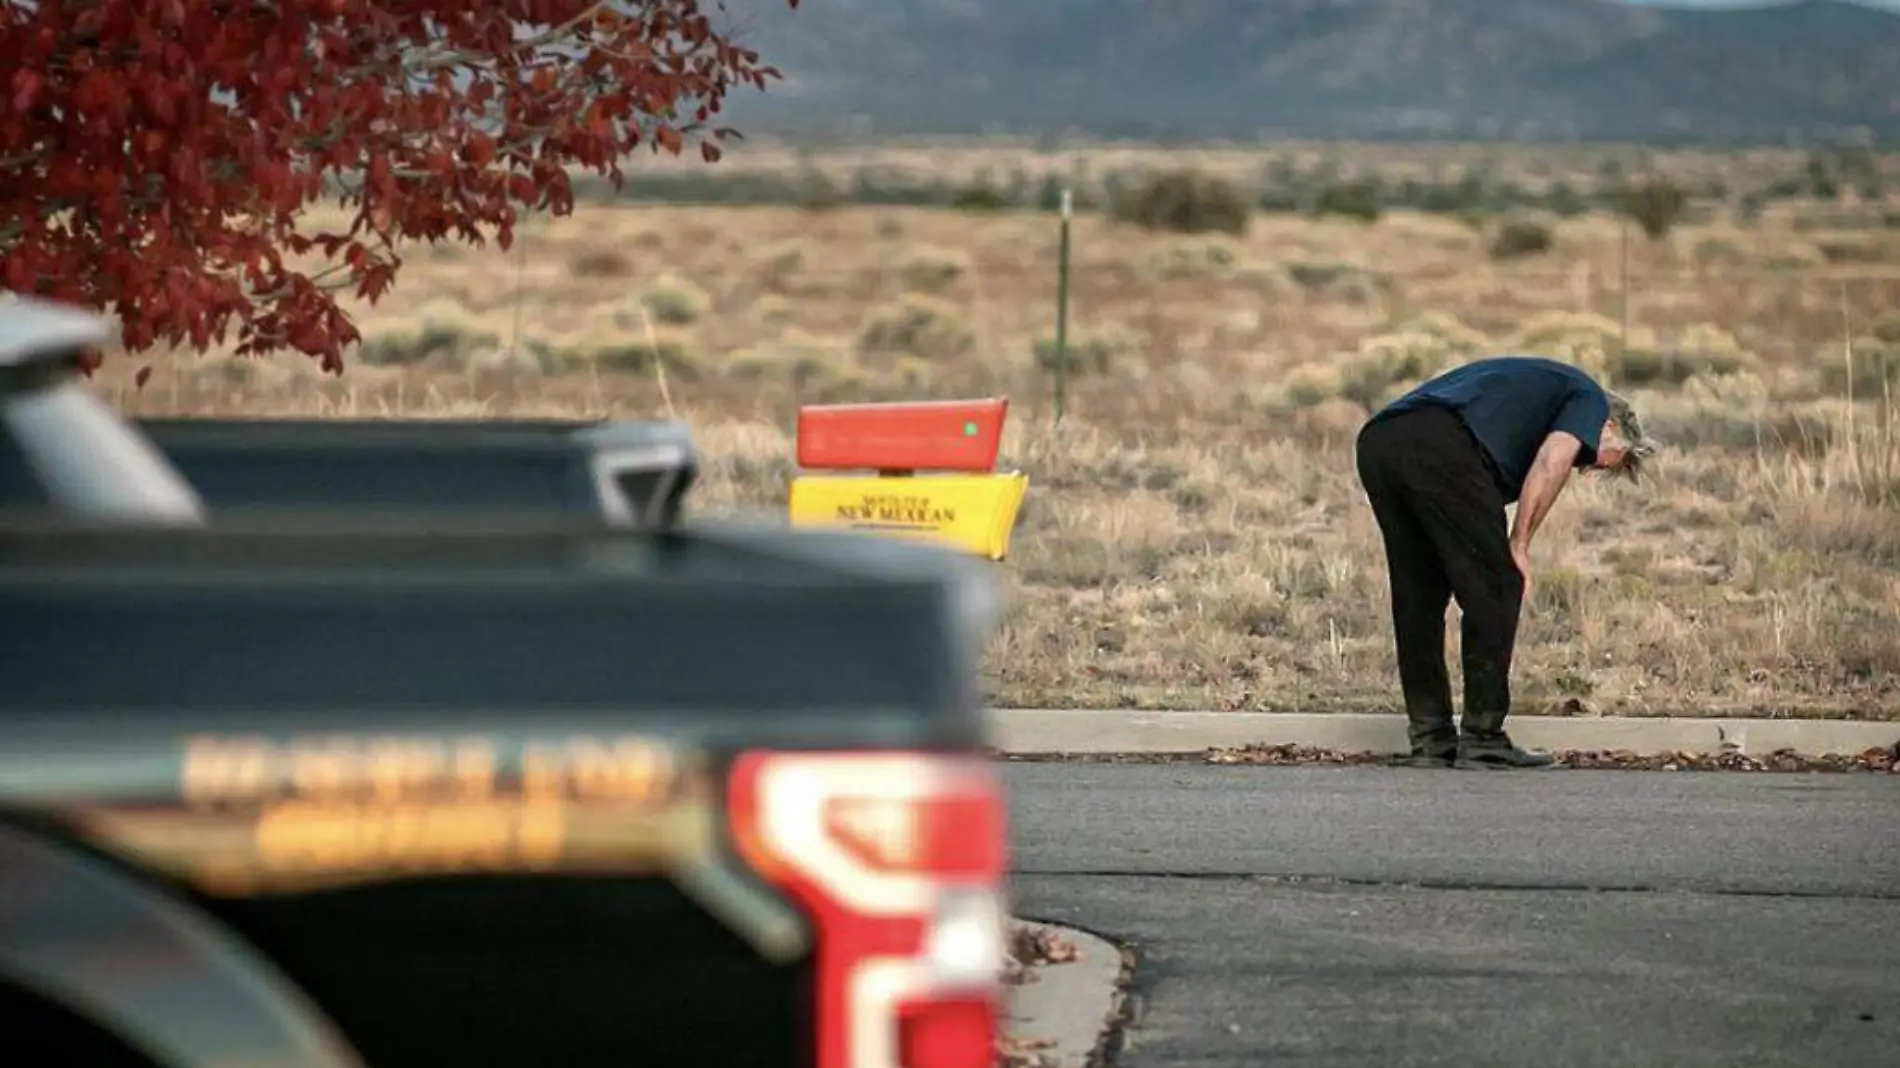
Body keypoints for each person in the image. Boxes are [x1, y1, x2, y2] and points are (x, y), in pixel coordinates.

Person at [1353, 355, 1656, 770]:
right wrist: (1519, 544)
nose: (1586, 470)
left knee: (1419, 596)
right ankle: (1482, 738)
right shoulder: (1588, 398)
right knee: (1499, 584)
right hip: (1440, 443)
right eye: (1599, 460)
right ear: (1609, 427)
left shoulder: (1537, 393)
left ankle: (1430, 740)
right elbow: (1552, 461)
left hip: (1381, 441)